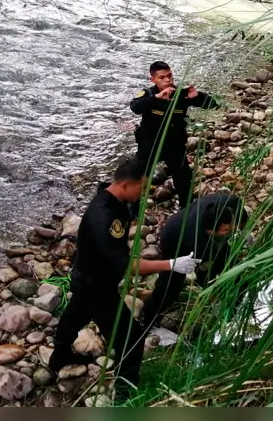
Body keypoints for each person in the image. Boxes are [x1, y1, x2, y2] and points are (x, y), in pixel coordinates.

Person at [49, 156, 202, 397]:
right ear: (125, 184)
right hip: (97, 285)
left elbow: (127, 212)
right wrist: (171, 264)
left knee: (76, 314)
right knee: (130, 338)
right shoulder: (103, 216)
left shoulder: (115, 198)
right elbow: (127, 265)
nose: (144, 194)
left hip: (89, 276)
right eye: (142, 188)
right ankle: (124, 392)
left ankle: (58, 357)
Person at [141, 193, 250, 329]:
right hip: (175, 239)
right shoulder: (199, 242)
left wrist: (243, 228)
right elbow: (205, 275)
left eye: (233, 225)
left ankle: (241, 295)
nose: (232, 230)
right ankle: (147, 317)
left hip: (197, 226)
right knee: (170, 284)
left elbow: (239, 208)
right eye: (227, 230)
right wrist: (215, 297)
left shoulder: (229, 203)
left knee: (231, 264)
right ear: (210, 231)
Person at [130, 61, 220, 208]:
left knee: (184, 181)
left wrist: (197, 96)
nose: (167, 80)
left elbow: (212, 104)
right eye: (162, 77)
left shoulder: (181, 94)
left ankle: (186, 211)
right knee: (136, 179)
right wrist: (156, 99)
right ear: (153, 79)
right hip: (150, 146)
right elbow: (135, 107)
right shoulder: (149, 94)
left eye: (169, 76)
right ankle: (132, 211)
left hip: (174, 146)